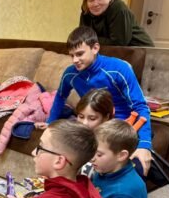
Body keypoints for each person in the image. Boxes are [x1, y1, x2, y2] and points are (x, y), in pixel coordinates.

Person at [46, 26, 153, 176]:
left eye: (80, 54)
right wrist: (50, 123)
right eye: (72, 56)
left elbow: (141, 106)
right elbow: (60, 96)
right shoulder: (70, 73)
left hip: (122, 127)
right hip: (93, 124)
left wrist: (144, 145)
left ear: (95, 48)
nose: (75, 60)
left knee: (136, 166)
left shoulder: (119, 68)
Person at [80, 0, 153, 47]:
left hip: (140, 51)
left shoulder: (118, 8)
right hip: (109, 51)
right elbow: (82, 37)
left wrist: (90, 40)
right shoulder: (86, 11)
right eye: (91, 0)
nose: (95, 4)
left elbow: (119, 43)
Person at [74, 88, 114, 177]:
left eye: (92, 118)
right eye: (81, 116)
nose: (84, 123)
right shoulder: (73, 137)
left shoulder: (112, 144)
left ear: (106, 117)